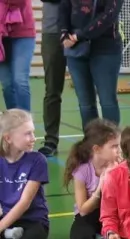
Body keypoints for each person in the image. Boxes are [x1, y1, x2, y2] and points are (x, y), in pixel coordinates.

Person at [58, 0, 124, 128]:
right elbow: (64, 7)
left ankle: (112, 139)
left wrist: (80, 35)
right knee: (85, 103)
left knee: (107, 100)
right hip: (76, 49)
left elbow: (109, 14)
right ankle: (91, 138)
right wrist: (64, 33)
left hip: (105, 48)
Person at [63, 119, 121, 239]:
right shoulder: (82, 171)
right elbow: (83, 210)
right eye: (114, 146)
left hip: (114, 214)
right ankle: (99, 236)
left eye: (119, 146)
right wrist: (101, 186)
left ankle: (104, 235)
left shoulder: (121, 166)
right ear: (97, 149)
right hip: (90, 214)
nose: (119, 150)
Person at [0, 109, 49, 239]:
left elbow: (24, 202)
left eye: (33, 132)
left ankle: (4, 236)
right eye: (27, 134)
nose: (33, 138)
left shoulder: (37, 160)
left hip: (32, 220)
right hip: (6, 216)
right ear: (8, 138)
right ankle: (7, 234)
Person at [39, 0, 67, 157]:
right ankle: (51, 140)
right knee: (52, 90)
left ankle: (93, 141)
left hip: (79, 30)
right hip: (52, 32)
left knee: (86, 92)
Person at [0, 0, 36, 111]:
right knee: (7, 84)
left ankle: (25, 120)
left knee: (20, 80)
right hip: (2, 36)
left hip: (23, 33)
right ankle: (14, 119)